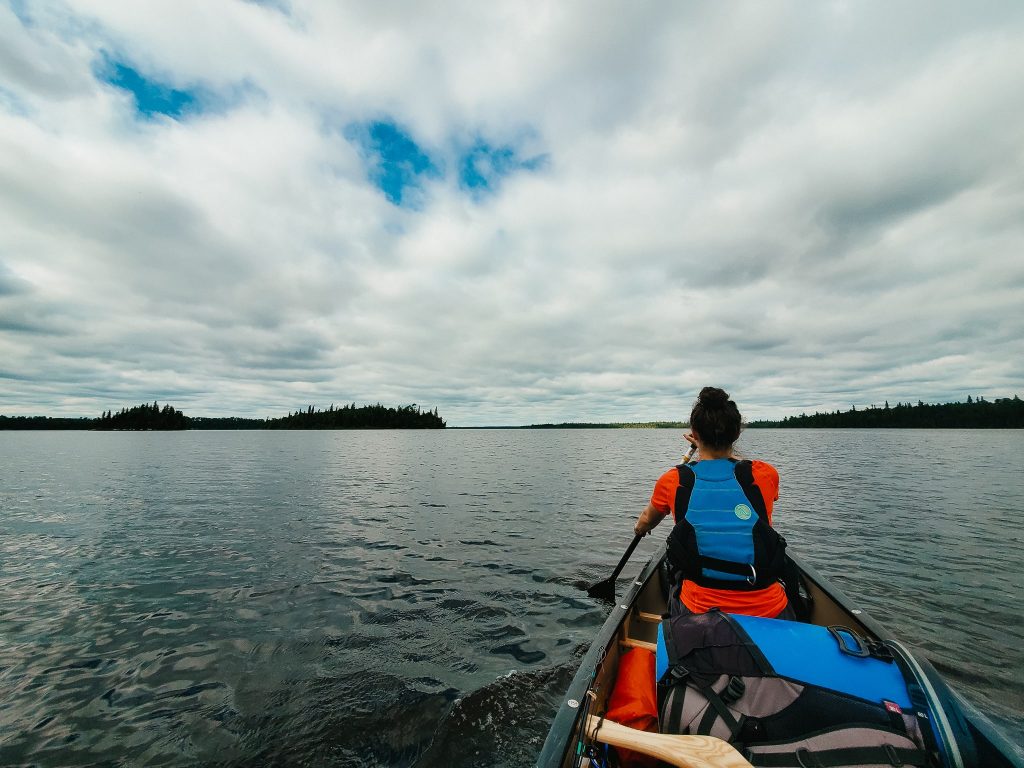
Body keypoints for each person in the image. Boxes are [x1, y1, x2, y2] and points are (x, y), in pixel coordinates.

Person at [632, 387, 792, 619]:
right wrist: (706, 445)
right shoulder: (765, 473)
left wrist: (639, 528)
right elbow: (735, 466)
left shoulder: (673, 479)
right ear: (737, 433)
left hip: (698, 608)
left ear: (695, 434)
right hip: (770, 607)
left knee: (674, 573)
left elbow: (646, 521)